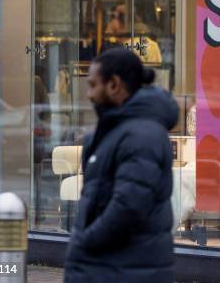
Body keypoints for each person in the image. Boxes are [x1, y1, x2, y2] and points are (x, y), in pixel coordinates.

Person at [64, 48, 178, 283]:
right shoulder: (115, 131)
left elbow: (128, 207)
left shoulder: (140, 135)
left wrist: (85, 241)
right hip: (113, 268)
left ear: (114, 85)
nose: (89, 94)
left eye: (93, 85)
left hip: (123, 271)